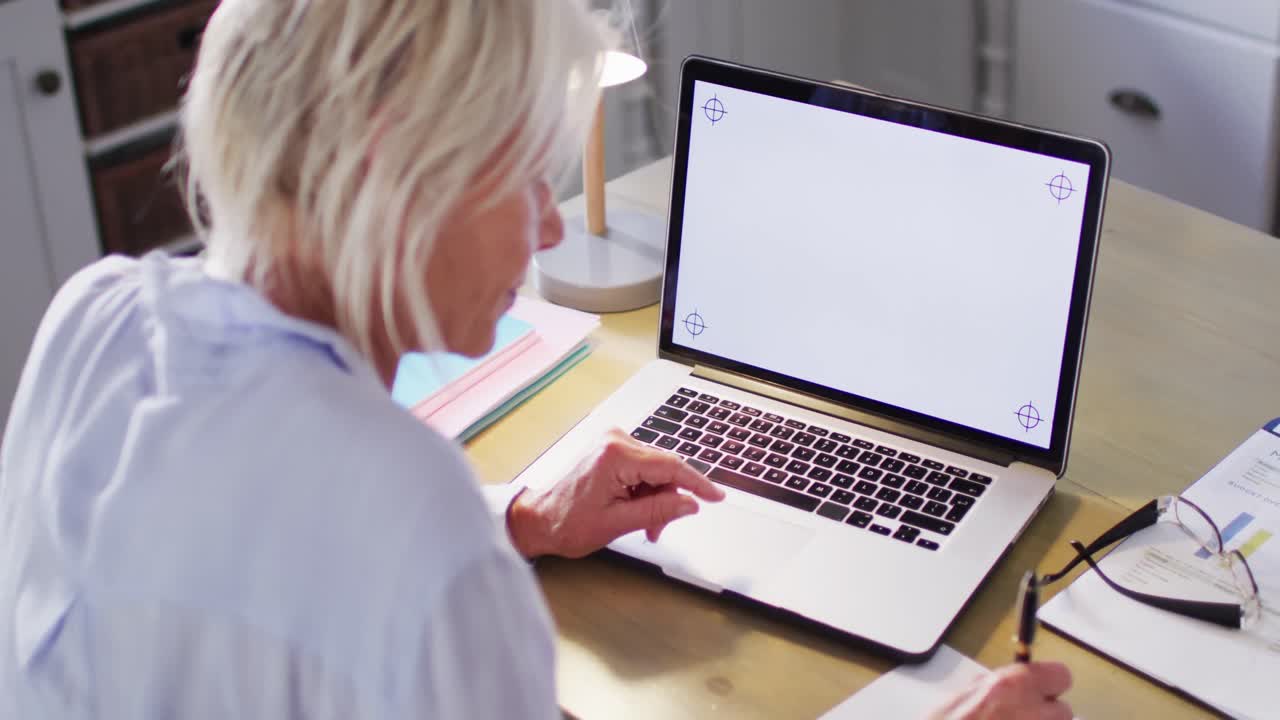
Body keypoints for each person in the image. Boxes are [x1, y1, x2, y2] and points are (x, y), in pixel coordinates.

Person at [0, 1, 1073, 717]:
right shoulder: (419, 542)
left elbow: (253, 569)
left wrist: (510, 514)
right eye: (521, 178)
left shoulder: (91, 322)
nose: (548, 229)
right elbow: (362, 559)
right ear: (396, 172)